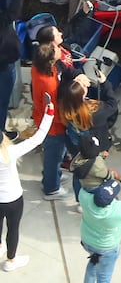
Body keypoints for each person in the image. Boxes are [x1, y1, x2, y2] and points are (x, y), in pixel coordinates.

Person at [0, 87, 51, 271]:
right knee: (13, 229)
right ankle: (10, 260)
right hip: (13, 198)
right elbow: (36, 139)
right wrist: (49, 115)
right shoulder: (10, 153)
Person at [80, 173, 121, 283]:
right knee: (104, 277)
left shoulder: (84, 197)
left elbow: (86, 187)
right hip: (106, 249)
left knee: (94, 261)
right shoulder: (119, 211)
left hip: (87, 241)